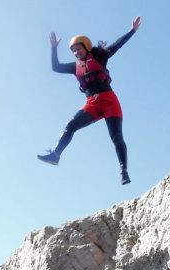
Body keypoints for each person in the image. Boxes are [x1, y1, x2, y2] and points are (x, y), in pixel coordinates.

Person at [37, 17, 142, 185]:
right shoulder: (75, 66)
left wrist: (132, 31)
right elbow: (55, 67)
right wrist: (54, 48)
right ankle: (55, 155)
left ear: (86, 47)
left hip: (109, 101)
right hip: (91, 104)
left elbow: (117, 45)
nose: (76, 53)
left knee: (116, 137)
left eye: (78, 49)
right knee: (70, 126)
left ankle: (124, 171)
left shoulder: (100, 57)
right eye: (73, 51)